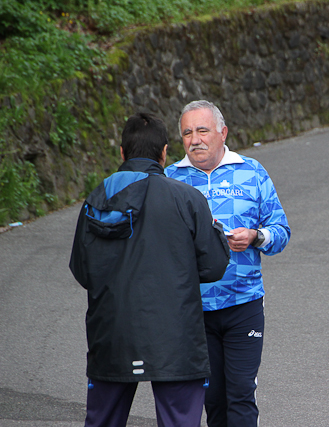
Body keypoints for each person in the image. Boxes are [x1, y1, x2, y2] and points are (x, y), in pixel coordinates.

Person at [69, 112, 230, 427]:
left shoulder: (97, 198)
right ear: (164, 152)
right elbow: (214, 266)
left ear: (122, 152)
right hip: (175, 336)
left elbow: (82, 270)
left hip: (111, 333)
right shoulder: (187, 198)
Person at [165, 100, 291, 427]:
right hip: (193, 310)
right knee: (214, 401)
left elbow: (281, 231)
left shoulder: (252, 171)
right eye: (187, 133)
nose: (195, 140)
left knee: (241, 394)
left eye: (202, 131)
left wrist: (256, 236)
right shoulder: (170, 178)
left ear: (223, 133)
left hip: (243, 304)